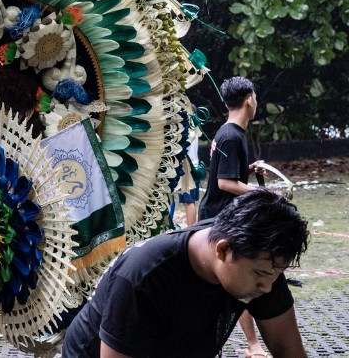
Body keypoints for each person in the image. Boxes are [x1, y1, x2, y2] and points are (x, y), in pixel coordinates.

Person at [62, 190, 309, 358]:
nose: (267, 287)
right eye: (262, 274)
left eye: (276, 273)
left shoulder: (264, 262)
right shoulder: (144, 277)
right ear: (223, 250)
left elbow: (288, 350)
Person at [198, 76, 267, 357]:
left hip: (222, 215)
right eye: (255, 97)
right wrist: (263, 193)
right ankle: (252, 345)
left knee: (231, 282)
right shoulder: (231, 136)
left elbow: (226, 174)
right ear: (249, 100)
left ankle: (250, 344)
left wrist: (248, 170)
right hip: (219, 218)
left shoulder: (230, 132)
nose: (256, 102)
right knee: (236, 280)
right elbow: (225, 183)